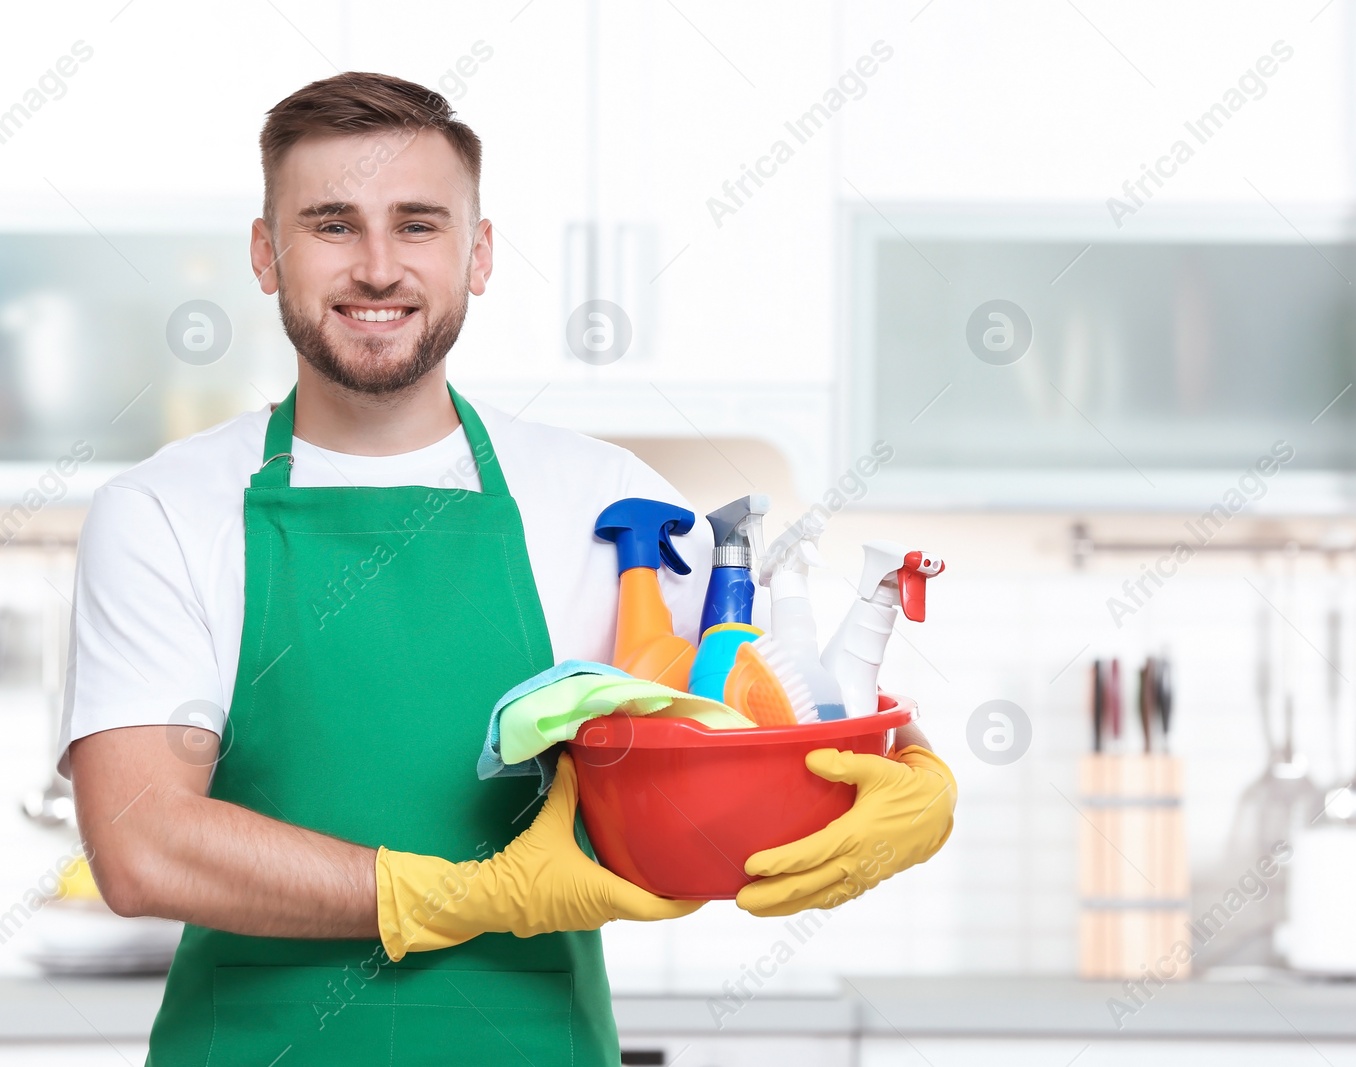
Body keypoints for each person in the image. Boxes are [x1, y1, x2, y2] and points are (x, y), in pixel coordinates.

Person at [63, 72, 957, 1065]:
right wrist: (464, 895)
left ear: (477, 254)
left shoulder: (611, 505)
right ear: (266, 254)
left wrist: (916, 779)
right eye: (329, 224)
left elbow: (796, 707)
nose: (375, 266)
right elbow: (142, 846)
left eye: (416, 224)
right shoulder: (164, 512)